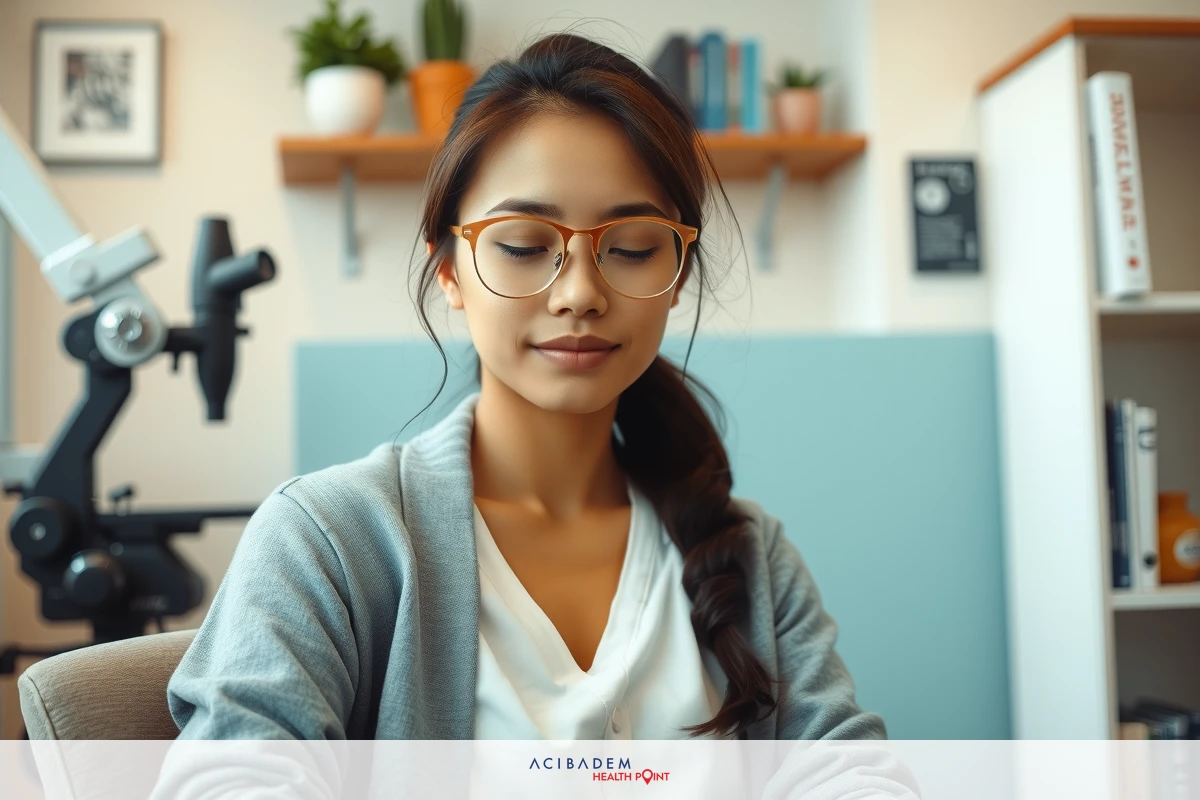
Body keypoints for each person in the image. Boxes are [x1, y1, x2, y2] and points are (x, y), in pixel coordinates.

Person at [165, 30, 887, 747]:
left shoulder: (752, 559)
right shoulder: (327, 542)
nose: (579, 292)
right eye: (523, 244)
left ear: (678, 275)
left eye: (631, 247)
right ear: (448, 269)